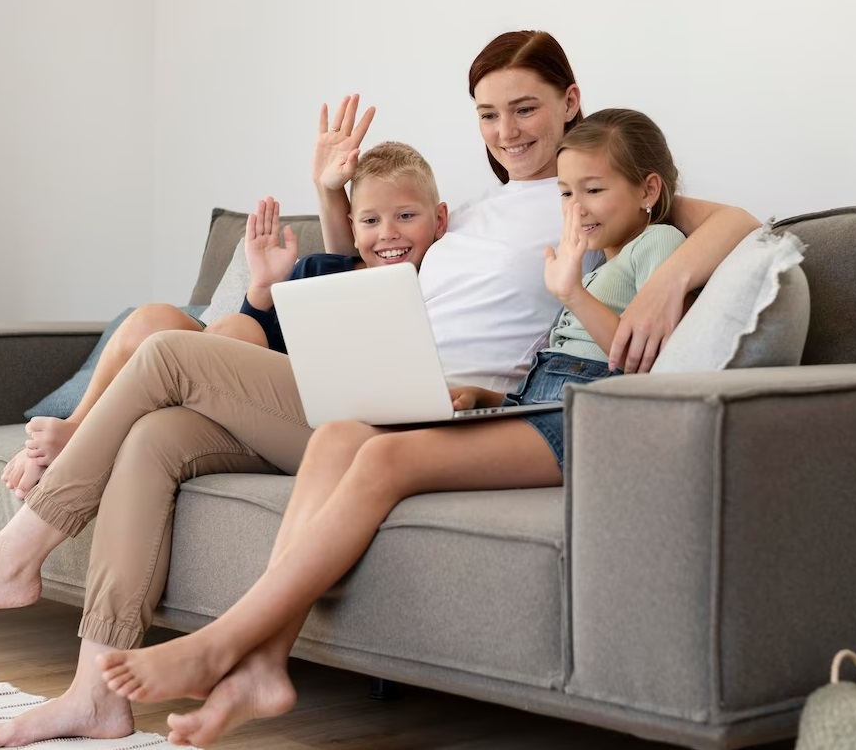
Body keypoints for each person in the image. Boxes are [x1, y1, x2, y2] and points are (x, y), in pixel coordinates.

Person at [0, 31, 759, 749]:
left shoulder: (591, 197)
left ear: (571, 100)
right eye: (489, 113)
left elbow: (733, 221)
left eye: (525, 107)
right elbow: (367, 266)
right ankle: (94, 693)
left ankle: (16, 553)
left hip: (436, 401)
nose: (507, 129)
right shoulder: (468, 209)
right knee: (156, 438)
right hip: (371, 380)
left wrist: (667, 277)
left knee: (167, 358)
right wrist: (329, 194)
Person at [93, 108, 686, 745]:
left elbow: (633, 358)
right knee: (338, 434)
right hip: (538, 407)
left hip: (591, 420)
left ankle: (227, 642)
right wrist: (484, 393)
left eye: (591, 192)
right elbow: (546, 370)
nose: (576, 209)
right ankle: (265, 667)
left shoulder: (662, 246)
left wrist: (570, 292)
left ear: (648, 190)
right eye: (566, 195)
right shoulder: (597, 258)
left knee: (381, 460)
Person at [1, 140, 445, 499]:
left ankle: (83, 442)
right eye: (371, 220)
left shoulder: (444, 281)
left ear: (438, 220)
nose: (388, 232)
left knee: (219, 339)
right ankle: (80, 426)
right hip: (239, 379)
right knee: (159, 320)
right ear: (352, 226)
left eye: (405, 216)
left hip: (285, 413)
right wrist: (262, 288)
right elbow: (257, 337)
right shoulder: (319, 269)